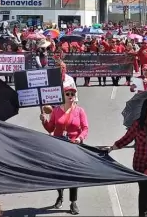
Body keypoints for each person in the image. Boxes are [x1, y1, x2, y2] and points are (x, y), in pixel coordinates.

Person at [105, 98, 147, 217]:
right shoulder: (138, 124)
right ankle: (142, 214)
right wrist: (111, 148)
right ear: (145, 108)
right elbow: (126, 139)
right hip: (141, 164)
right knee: (144, 190)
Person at [40, 86, 89, 215]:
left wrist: (80, 138)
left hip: (73, 145)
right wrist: (44, 120)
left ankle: (73, 202)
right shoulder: (55, 111)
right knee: (58, 173)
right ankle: (60, 196)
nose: (70, 96)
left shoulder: (79, 111)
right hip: (58, 146)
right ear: (63, 96)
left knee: (73, 174)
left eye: (73, 93)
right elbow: (50, 128)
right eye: (68, 94)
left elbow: (85, 128)